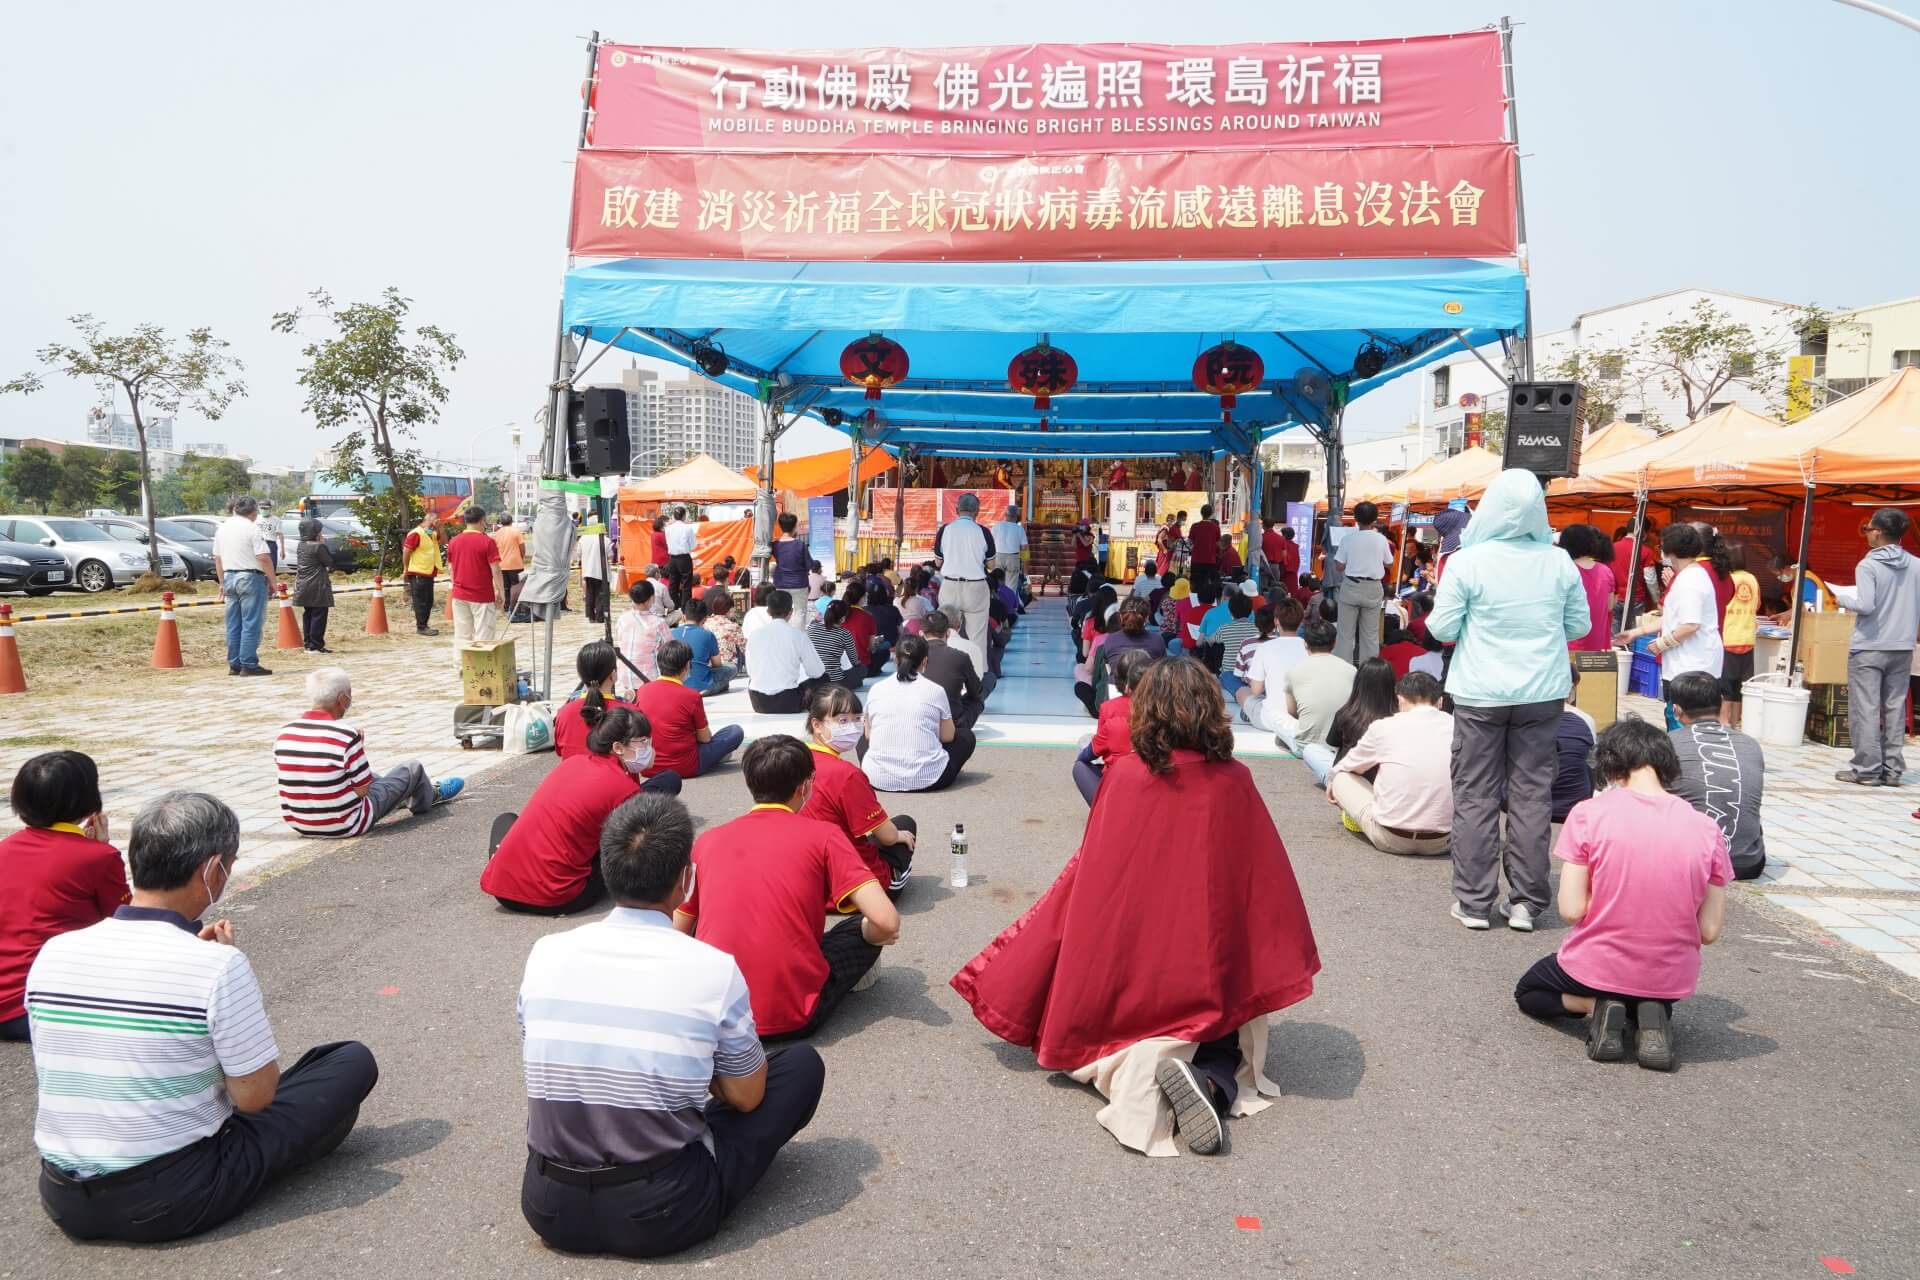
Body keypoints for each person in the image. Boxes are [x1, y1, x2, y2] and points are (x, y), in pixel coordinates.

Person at [952, 657, 1319, 1158]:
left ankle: (1158, 1073)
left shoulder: (1125, 777)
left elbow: (1096, 880)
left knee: (1129, 1036)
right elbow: (1258, 882)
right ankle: (1208, 1085)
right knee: (1222, 1040)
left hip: (1131, 965)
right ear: (1211, 710)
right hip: (1207, 958)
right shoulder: (1234, 780)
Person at [28, 792, 379, 1242]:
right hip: (172, 1196)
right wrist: (222, 972)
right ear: (212, 870)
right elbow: (254, 1099)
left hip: (62, 1197)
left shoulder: (56, 952)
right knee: (349, 1062)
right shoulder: (215, 966)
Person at [516, 791, 825, 1258]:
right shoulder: (712, 969)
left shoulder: (545, 953)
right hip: (661, 1211)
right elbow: (747, 1097)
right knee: (800, 1067)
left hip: (549, 1205)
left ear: (607, 868)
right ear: (686, 879)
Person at [1514, 719, 1731, 1071]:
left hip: (1596, 965)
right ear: (1666, 764)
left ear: (1611, 765)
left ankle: (1599, 1006)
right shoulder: (1707, 829)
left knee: (1530, 992)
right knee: (1649, 991)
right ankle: (1648, 1011)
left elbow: (1571, 910)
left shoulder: (1589, 814)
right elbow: (1709, 931)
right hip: (1669, 976)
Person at [1428, 469, 1589, 933]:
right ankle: (1526, 903)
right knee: (1531, 794)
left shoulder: (1467, 562)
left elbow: (1441, 629)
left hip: (1480, 692)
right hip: (1542, 692)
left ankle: (1475, 902)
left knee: (1475, 794)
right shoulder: (1560, 563)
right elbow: (1577, 627)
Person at [676, 736, 901, 1038]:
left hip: (717, 1016)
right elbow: (886, 921)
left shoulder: (708, 840)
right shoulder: (825, 835)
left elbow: (679, 928)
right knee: (855, 929)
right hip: (793, 1015)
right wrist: (876, 936)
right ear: (805, 787)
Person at [484, 705, 680, 915]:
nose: (649, 747)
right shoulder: (624, 790)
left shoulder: (573, 763)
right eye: (643, 742)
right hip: (560, 896)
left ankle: (505, 862)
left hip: (503, 893)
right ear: (618, 747)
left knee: (507, 820)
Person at [0, 752, 129, 1042]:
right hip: (44, 1008)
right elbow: (125, 923)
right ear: (87, 800)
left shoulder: (5, 848)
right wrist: (102, 849)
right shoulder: (97, 857)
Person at [274, 667, 463, 835]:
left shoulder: (285, 732)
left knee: (362, 773)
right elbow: (363, 790)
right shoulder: (346, 735)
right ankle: (426, 797)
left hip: (300, 823)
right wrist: (357, 747)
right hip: (348, 823)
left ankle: (405, 794)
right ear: (342, 698)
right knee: (412, 768)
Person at [801, 685, 917, 897]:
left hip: (811, 880)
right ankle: (894, 875)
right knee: (904, 824)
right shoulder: (847, 775)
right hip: (859, 885)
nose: (853, 727)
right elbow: (888, 836)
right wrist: (898, 835)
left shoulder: (797, 759)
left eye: (857, 719)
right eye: (842, 721)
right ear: (816, 725)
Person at [1832, 508, 1920, 786]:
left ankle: (1867, 769)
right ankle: (1892, 770)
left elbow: (1867, 605)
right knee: (1894, 707)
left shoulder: (1868, 565)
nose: (1867, 533)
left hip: (1870, 645)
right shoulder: (1916, 564)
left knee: (1866, 708)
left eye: (1868, 529)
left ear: (1878, 532)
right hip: (1903, 645)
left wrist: (1844, 599)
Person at [1325, 671, 1454, 856]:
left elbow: (1347, 766)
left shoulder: (1383, 727)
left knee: (1341, 777)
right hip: (1442, 841)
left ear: (1400, 699)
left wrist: (1333, 781)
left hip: (1390, 837)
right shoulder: (1458, 727)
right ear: (1440, 702)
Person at [1618, 524, 1723, 728]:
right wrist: (1637, 632)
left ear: (1669, 549)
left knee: (1681, 724)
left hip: (1690, 666)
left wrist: (1662, 643)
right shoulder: (1690, 575)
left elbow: (1690, 624)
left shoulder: (1690, 581)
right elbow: (1673, 617)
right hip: (1693, 663)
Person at [1666, 670, 1767, 881]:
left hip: (1695, 861)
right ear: (1721, 702)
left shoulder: (1668, 743)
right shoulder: (1750, 744)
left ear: (1676, 710)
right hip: (1748, 862)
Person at [862, 635, 975, 793]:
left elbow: (868, 735)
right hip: (929, 779)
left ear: (896, 659)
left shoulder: (877, 689)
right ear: (925, 661)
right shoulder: (935, 690)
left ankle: (878, 765)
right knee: (967, 737)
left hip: (877, 778)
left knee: (864, 732)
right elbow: (947, 737)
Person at [632, 640, 746, 780]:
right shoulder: (691, 695)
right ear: (687, 666)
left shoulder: (643, 691)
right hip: (685, 766)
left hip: (649, 767)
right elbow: (704, 738)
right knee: (735, 731)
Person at [1072, 647, 1153, 806]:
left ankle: (1103, 809)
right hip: (1154, 786)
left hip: (1118, 785)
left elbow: (1095, 751)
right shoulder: (1167, 715)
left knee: (1081, 763)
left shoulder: (1111, 712)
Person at [1270, 618, 1356, 761]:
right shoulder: (1352, 670)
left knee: (1273, 715)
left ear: (1305, 644)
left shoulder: (1294, 671)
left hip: (1305, 747)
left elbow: (1292, 711)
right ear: (1334, 643)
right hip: (1340, 745)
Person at [1311, 656, 1398, 788]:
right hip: (1381, 782)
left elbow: (1333, 744)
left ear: (1359, 682)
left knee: (1311, 750)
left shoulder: (1346, 713)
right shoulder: (1397, 717)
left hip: (1347, 782)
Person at [213, 495, 275, 676]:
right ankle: (249, 663)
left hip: (229, 576)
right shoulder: (252, 528)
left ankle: (235, 664)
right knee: (251, 623)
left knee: (233, 623)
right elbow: (263, 557)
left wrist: (222, 582)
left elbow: (218, 558)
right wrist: (273, 581)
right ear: (254, 512)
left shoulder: (222, 528)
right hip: (250, 577)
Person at [1331, 502, 1394, 667]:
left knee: (1345, 634)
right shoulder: (1381, 539)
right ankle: (1369, 674)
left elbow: (1339, 566)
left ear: (1356, 519)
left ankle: (1343, 671)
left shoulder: (1347, 539)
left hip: (1351, 586)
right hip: (1373, 588)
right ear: (1375, 519)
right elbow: (1389, 563)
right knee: (1370, 635)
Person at [746, 589, 829, 713]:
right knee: (824, 678)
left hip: (758, 702)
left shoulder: (754, 635)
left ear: (768, 611)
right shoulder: (798, 636)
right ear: (791, 612)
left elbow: (751, 672)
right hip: (788, 702)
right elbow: (816, 672)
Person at [555, 641, 635, 759]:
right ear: (613, 675)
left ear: (580, 674)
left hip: (572, 776)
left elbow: (560, 752)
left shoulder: (563, 713)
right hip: (616, 777)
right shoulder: (630, 713)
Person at [934, 493, 995, 644]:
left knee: (946, 633)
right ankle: (977, 667)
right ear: (977, 511)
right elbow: (991, 565)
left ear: (956, 510)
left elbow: (937, 563)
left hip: (950, 586)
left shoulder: (945, 530)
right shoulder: (984, 532)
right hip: (976, 587)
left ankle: (948, 666)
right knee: (978, 637)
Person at [1236, 599, 1306, 728]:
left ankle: (1249, 713)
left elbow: (1255, 690)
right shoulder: (1309, 648)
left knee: (1242, 691)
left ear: (1276, 621)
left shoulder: (1265, 647)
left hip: (1271, 719)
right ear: (1301, 621)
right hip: (1302, 716)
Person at [920, 609, 994, 729]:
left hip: (920, 719)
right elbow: (975, 692)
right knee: (980, 692)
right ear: (947, 633)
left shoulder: (913, 656)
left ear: (921, 633)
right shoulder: (960, 656)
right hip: (952, 723)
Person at [445, 506, 504, 647]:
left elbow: (451, 569)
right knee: (484, 634)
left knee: (462, 634)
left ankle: (460, 665)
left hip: (459, 594)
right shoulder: (487, 542)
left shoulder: (454, 541)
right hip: (482, 595)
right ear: (482, 521)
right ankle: (481, 666)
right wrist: (500, 590)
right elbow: (495, 570)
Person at [1718, 542, 1760, 728]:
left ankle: (1724, 721)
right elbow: (1757, 604)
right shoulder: (1752, 579)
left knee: (1726, 685)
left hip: (1728, 637)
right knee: (1740, 687)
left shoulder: (1727, 580)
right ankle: (1735, 721)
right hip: (1747, 638)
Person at [1558, 523, 1618, 653]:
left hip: (1570, 643)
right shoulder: (1606, 571)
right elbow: (1610, 606)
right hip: (1599, 644)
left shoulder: (1565, 569)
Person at [613, 579, 671, 698]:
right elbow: (671, 650)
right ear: (651, 598)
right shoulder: (658, 623)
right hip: (647, 678)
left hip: (624, 676)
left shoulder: (622, 619)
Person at [670, 598, 732, 697]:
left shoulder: (671, 633)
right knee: (731, 668)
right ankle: (712, 687)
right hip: (701, 685)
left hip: (676, 684)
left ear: (684, 617)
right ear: (705, 619)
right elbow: (717, 664)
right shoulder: (707, 634)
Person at [292, 516, 335, 654]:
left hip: (303, 585)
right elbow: (329, 562)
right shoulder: (318, 547)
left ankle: (308, 644)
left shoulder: (301, 545)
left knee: (308, 614)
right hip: (317, 585)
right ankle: (316, 645)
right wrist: (323, 543)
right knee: (319, 615)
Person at [400, 507, 443, 637]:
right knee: (421, 600)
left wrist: (440, 528)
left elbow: (444, 541)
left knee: (428, 600)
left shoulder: (431, 533)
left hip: (429, 571)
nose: (437, 521)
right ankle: (421, 626)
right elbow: (406, 551)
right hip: (418, 571)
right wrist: (406, 568)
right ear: (428, 519)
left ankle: (425, 625)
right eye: (436, 519)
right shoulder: (416, 533)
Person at [808, 599, 865, 690]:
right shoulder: (844, 633)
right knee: (862, 670)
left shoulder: (812, 627)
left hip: (815, 679)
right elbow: (854, 660)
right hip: (835, 681)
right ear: (842, 619)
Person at [839, 578, 888, 677]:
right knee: (885, 650)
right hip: (862, 667)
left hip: (839, 666)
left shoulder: (838, 614)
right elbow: (870, 647)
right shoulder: (867, 616)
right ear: (862, 598)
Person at [1768, 552, 1837, 621]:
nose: (1779, 577)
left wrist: (1788, 615)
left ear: (1786, 567)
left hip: (1824, 622)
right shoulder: (1801, 579)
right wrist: (1783, 615)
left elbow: (1809, 605)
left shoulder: (1805, 580)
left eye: (1779, 574)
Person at [661, 506, 698, 610]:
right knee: (686, 585)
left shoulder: (668, 528)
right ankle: (685, 609)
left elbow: (668, 543)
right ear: (684, 516)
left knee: (673, 584)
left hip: (672, 558)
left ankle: (675, 606)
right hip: (684, 557)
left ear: (674, 516)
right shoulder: (687, 528)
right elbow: (693, 545)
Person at [490, 511, 526, 609]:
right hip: (515, 564)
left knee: (505, 587)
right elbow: (522, 547)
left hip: (501, 565)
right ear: (511, 520)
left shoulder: (496, 534)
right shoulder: (516, 531)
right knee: (516, 586)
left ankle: (506, 606)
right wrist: (520, 558)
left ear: (501, 522)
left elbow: (494, 551)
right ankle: (516, 606)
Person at [770, 510, 810, 593]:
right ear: (795, 527)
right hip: (799, 584)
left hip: (780, 584)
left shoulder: (775, 545)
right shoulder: (800, 545)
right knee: (799, 606)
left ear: (780, 527)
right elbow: (809, 564)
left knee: (782, 606)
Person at [1186, 504, 1222, 596]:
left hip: (1196, 560)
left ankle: (1195, 604)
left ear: (1201, 513)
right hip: (1210, 560)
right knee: (1209, 584)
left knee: (1196, 585)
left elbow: (1189, 542)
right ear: (1211, 514)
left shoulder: (1195, 526)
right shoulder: (1215, 527)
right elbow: (1218, 544)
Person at [990, 506, 1026, 582]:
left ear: (1005, 515)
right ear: (1016, 516)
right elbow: (1024, 547)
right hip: (1013, 558)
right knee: (1011, 586)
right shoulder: (1020, 529)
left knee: (998, 585)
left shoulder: (996, 526)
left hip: (998, 557)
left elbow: (990, 543)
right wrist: (1024, 563)